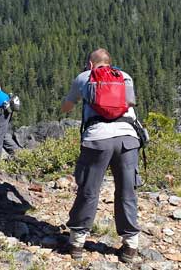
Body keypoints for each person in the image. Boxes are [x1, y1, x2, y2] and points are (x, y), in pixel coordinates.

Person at [61, 48, 141, 263]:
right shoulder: (124, 77)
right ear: (110, 62)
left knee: (89, 190)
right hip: (127, 139)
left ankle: (77, 243)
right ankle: (130, 247)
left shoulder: (83, 78)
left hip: (97, 140)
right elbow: (130, 103)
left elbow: (67, 107)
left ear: (90, 64)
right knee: (126, 191)